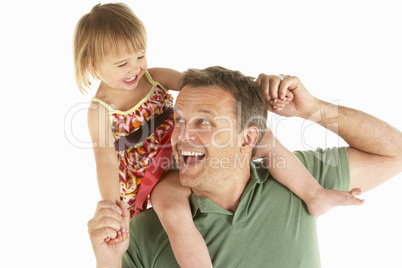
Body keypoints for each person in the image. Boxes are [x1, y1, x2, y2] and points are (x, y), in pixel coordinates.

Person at [74, 3, 363, 267]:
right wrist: (112, 206)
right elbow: (106, 162)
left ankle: (314, 193)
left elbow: (203, 86)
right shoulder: (100, 111)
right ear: (92, 65)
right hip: (157, 171)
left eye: (140, 55)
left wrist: (252, 90)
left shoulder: (154, 76)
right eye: (122, 63)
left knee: (259, 135)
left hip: (182, 144)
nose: (135, 67)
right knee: (175, 215)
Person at [88, 66, 402, 267]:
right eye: (179, 120)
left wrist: (313, 109)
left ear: (247, 138)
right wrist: (107, 260)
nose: (181, 136)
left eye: (203, 122)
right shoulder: (143, 232)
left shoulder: (297, 181)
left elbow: (395, 153)